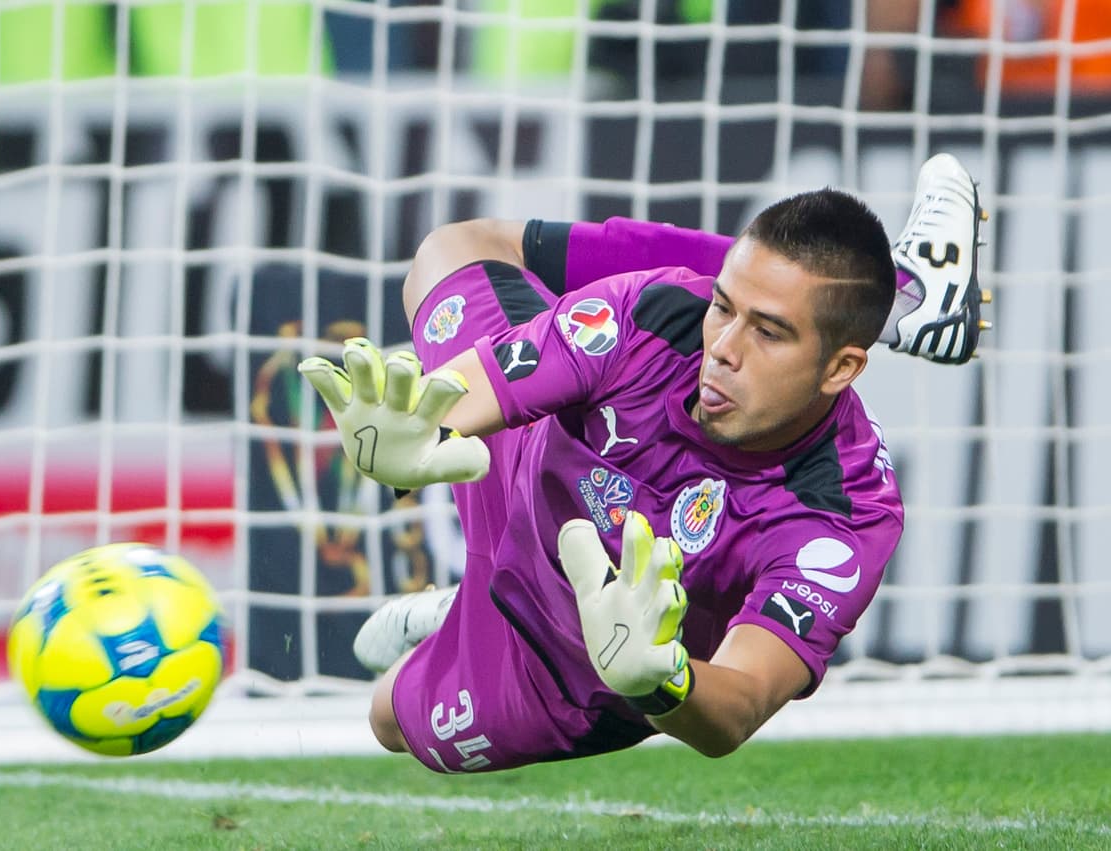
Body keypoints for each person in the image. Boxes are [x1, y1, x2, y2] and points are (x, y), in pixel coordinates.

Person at [299, 153, 989, 772]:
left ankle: (464, 614)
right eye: (724, 305)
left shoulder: (842, 511)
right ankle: (900, 297)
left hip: (565, 662)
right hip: (516, 468)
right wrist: (413, 434)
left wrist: (659, 678)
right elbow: (464, 399)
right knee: (452, 249)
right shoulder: (657, 311)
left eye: (770, 332)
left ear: (842, 368)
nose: (723, 347)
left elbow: (740, 706)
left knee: (387, 714)